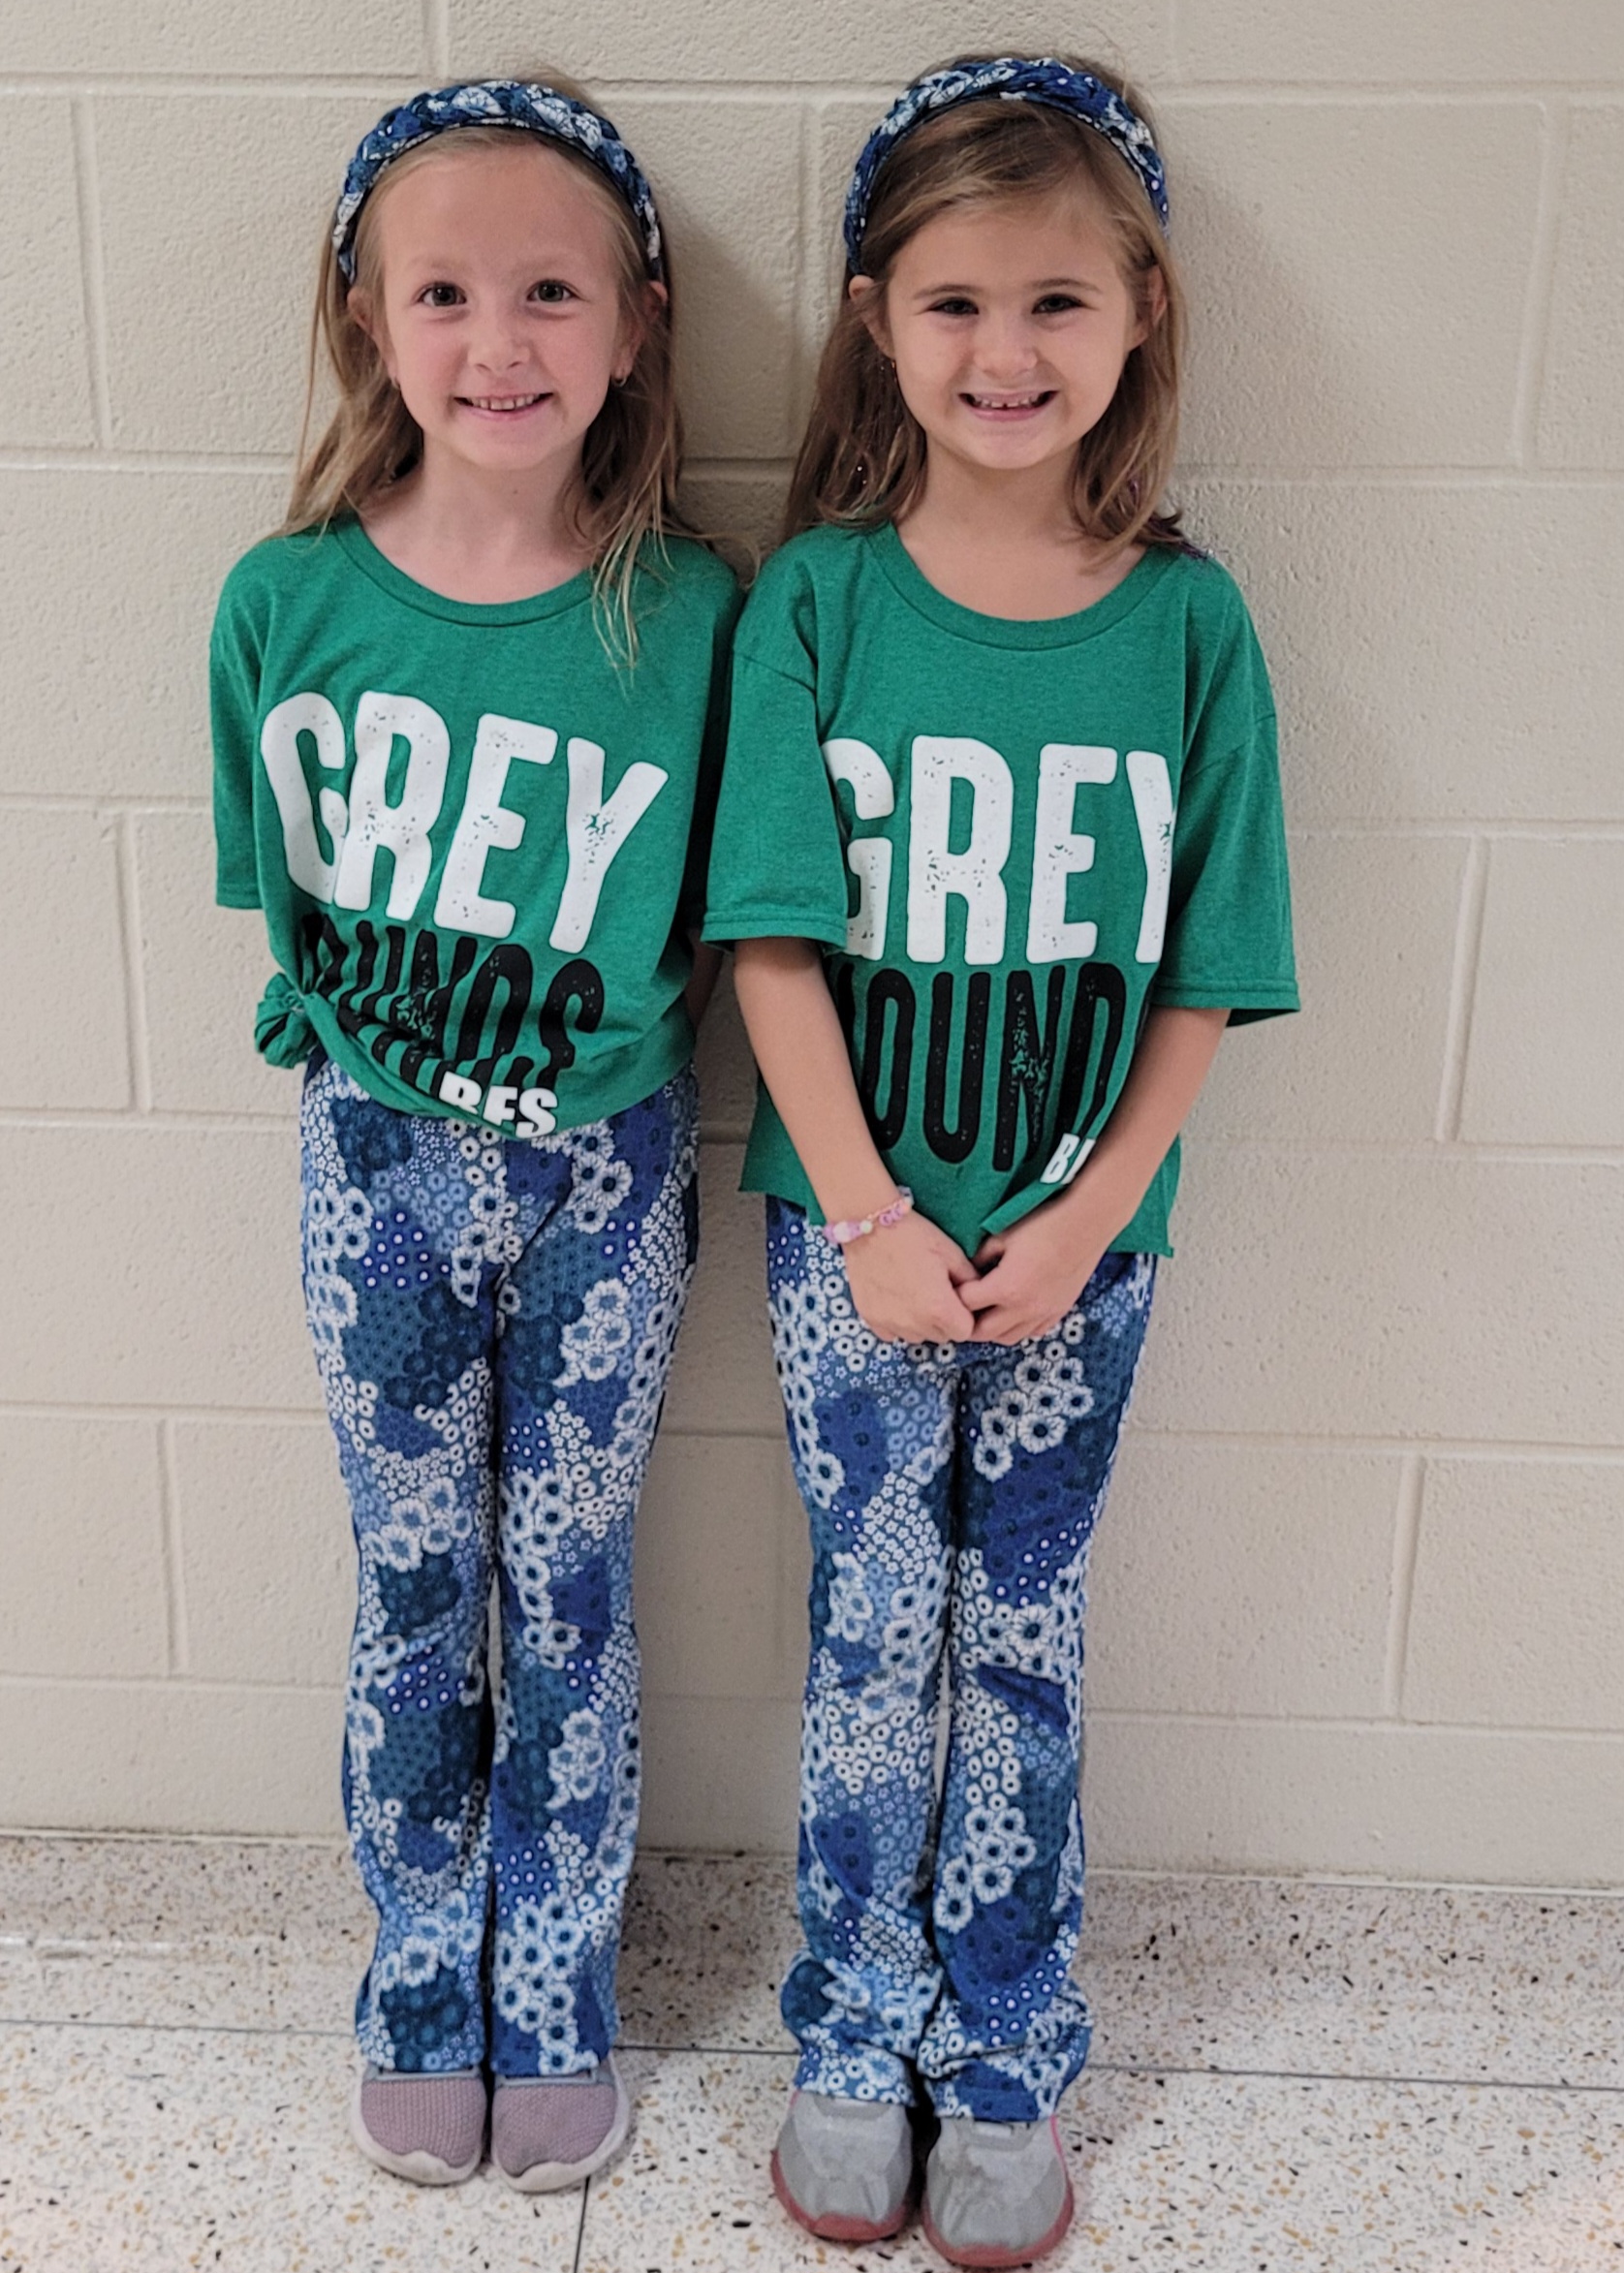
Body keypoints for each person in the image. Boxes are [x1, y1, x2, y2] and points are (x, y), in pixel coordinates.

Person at [704, 54, 1297, 2268]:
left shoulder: (1187, 627)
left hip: (1079, 1251)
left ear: (1140, 309)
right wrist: (864, 1211)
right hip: (850, 1235)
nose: (1005, 352)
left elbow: (1205, 980)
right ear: (876, 318)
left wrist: (1078, 1214)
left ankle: (1006, 2042)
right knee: (876, 1631)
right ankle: (850, 2033)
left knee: (1020, 1643)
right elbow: (768, 939)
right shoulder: (824, 609)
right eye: (953, 302)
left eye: (1057, 300)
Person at [209, 76, 736, 2194]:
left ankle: (560, 1977)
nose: (496, 341)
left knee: (571, 1581)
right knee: (416, 1575)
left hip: (606, 1174)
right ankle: (426, 1961)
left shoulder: (693, 616)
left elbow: (727, 921)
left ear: (633, 326)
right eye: (445, 291)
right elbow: (280, 905)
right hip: (372, 1166)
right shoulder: (282, 604)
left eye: (548, 291)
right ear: (365, 320)